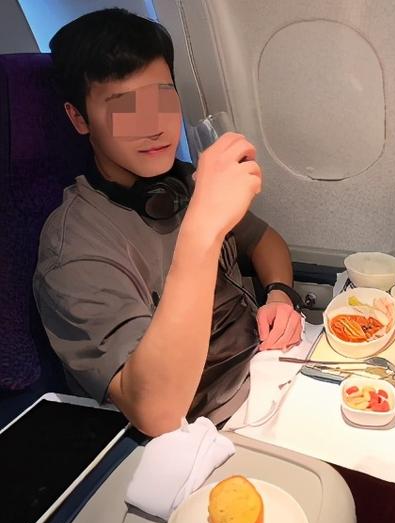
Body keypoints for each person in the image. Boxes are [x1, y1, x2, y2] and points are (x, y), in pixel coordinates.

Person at [33, 8, 303, 437]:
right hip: (205, 430)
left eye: (163, 99)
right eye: (124, 108)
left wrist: (279, 296)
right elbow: (154, 412)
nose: (155, 126)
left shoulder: (184, 181)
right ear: (79, 118)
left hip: (270, 369)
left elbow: (265, 241)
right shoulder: (74, 248)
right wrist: (202, 231)